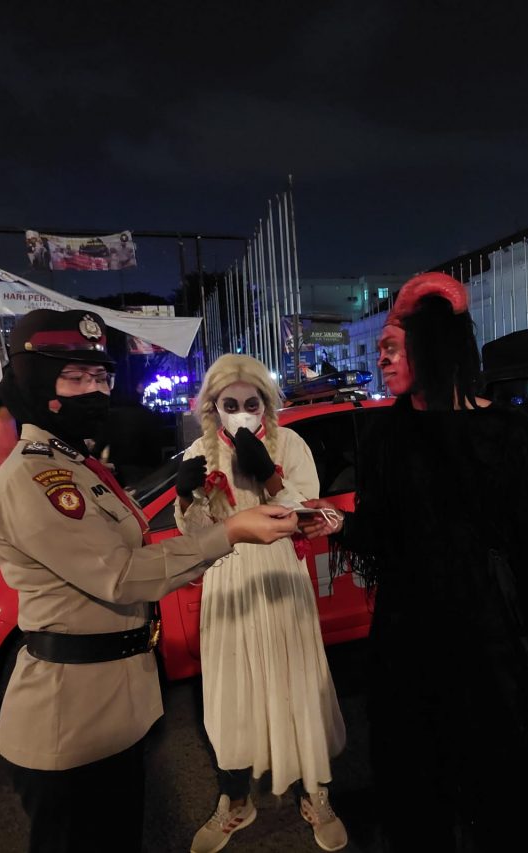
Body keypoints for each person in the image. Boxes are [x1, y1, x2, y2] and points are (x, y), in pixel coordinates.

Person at [0, 310, 298, 853]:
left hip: (114, 706)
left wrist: (258, 492)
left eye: (100, 376)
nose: (94, 390)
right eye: (74, 377)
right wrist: (221, 524)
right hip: (72, 721)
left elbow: (135, 543)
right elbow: (123, 573)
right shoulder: (38, 473)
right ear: (36, 383)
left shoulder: (77, 462)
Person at [301, 272, 528, 853]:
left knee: (497, 797)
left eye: (391, 348)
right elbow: (387, 536)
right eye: (379, 349)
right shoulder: (386, 436)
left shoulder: (507, 435)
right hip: (406, 648)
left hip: (486, 646)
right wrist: (339, 524)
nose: (380, 360)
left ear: (432, 345)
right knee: (418, 795)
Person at [174, 353, 348, 853]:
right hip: (228, 578)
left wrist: (269, 475)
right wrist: (186, 499)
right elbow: (194, 535)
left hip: (279, 572)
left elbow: (308, 514)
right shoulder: (200, 452)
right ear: (213, 406)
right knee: (233, 687)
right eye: (230, 405)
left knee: (296, 679)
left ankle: (315, 790)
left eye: (251, 403)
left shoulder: (290, 443)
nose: (242, 412)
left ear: (266, 403)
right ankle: (235, 799)